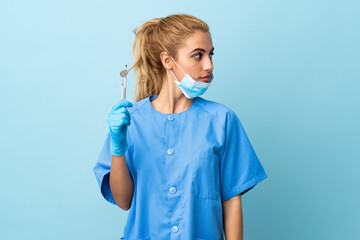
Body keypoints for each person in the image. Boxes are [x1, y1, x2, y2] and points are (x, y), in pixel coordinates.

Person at [93, 14, 267, 240]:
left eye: (210, 55)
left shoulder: (222, 120)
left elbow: (231, 200)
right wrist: (118, 148)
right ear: (167, 61)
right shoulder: (130, 121)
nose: (209, 65)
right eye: (198, 55)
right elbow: (124, 201)